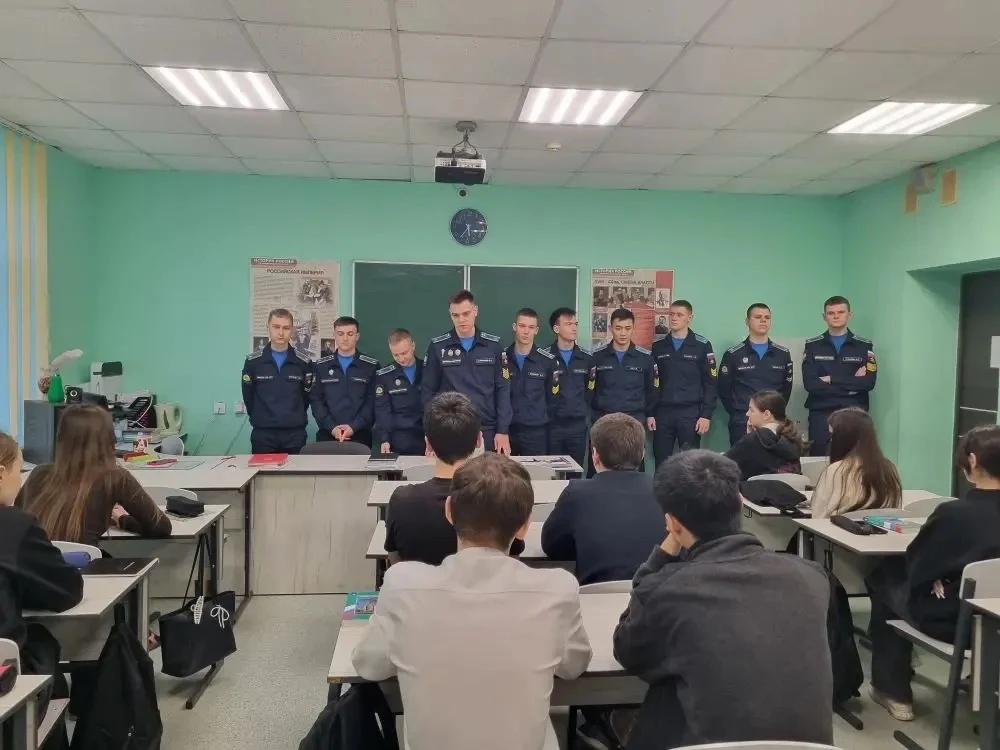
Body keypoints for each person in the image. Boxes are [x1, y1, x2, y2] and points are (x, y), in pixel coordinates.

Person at [353, 452, 592, 750]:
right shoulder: (558, 590)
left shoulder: (402, 585)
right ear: (525, 525)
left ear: (449, 511)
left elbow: (368, 665)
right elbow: (574, 666)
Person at [613, 450, 833, 750]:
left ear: (672, 524)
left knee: (665, 685)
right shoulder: (812, 578)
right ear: (740, 503)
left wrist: (662, 554)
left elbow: (628, 652)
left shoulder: (668, 591)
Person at [865, 425, 1000, 721]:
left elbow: (918, 564)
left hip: (957, 624)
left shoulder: (954, 514)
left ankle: (893, 690)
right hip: (993, 621)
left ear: (973, 461)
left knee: (884, 578)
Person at [0, 430, 83, 729]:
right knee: (42, 642)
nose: (21, 479)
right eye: (19, 469)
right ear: (1, 473)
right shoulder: (14, 525)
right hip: (5, 678)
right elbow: (66, 592)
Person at [385, 392, 524, 565]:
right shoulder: (501, 497)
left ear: (428, 444)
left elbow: (395, 562)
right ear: (479, 440)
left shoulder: (402, 501)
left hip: (419, 583)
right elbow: (512, 560)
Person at [16, 405, 172, 546]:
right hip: (80, 566)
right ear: (108, 439)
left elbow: (16, 518)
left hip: (28, 565)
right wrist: (123, 519)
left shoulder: (39, 473)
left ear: (61, 438)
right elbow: (161, 527)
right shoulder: (115, 478)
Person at [541, 413, 665, 584]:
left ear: (595, 455)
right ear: (643, 453)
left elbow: (551, 547)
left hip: (593, 595)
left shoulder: (576, 493)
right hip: (653, 595)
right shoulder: (666, 493)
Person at [421, 289, 512, 455]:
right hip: (449, 429)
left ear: (475, 310)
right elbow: (428, 393)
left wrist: (503, 430)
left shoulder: (494, 345)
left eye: (466, 313)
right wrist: (431, 432)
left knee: (486, 472)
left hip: (487, 429)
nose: (461, 320)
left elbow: (503, 389)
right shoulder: (437, 347)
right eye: (455, 315)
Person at [803, 295, 877, 456]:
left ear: (849, 315)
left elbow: (868, 383)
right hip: (821, 413)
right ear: (824, 316)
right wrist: (852, 382)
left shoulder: (864, 346)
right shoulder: (812, 346)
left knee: (854, 461)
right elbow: (810, 384)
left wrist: (830, 379)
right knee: (819, 461)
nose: (836, 316)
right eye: (831, 313)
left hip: (854, 412)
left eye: (841, 312)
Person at [588, 308, 658, 474]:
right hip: (604, 420)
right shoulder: (597, 357)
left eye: (627, 328)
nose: (623, 333)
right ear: (611, 328)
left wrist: (650, 414)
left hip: (634, 420)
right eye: (618, 328)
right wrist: (592, 416)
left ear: (633, 328)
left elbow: (653, 389)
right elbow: (589, 389)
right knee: (599, 466)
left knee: (633, 467)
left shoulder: (645, 358)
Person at [650, 300, 717, 468]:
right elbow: (653, 383)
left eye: (679, 315)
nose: (674, 318)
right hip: (663, 413)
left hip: (690, 413)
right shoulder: (659, 347)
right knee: (661, 461)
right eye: (671, 314)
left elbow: (711, 382)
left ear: (690, 318)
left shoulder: (702, 345)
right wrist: (650, 412)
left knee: (691, 463)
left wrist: (706, 415)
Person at [718, 302, 793, 446]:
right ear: (747, 321)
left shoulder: (782, 354)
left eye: (767, 317)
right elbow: (724, 389)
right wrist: (739, 411)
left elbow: (786, 389)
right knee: (742, 458)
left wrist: (775, 412)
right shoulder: (733, 354)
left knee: (772, 459)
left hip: (773, 420)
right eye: (758, 317)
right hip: (743, 419)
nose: (763, 320)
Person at [242, 308, 313, 454]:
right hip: (263, 435)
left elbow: (305, 397)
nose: (281, 332)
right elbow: (248, 397)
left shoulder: (303, 363)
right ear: (267, 327)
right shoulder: (253, 362)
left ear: (292, 330)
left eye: (286, 328)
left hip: (294, 435)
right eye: (276, 327)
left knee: (294, 470)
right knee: (263, 470)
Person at [810, 407, 901, 518]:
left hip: (837, 528)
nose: (830, 441)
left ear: (843, 437)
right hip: (882, 528)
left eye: (832, 436)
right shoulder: (889, 469)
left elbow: (818, 517)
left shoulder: (835, 470)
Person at [310, 316, 380, 447]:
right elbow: (316, 401)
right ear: (334, 335)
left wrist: (354, 426)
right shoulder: (321, 366)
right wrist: (332, 427)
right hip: (328, 434)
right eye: (340, 334)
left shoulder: (371, 366)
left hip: (360, 435)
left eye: (350, 334)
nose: (345, 338)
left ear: (357, 336)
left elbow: (373, 402)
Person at [542, 307, 593, 469]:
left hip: (577, 426)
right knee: (552, 472)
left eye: (575, 324)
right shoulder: (544, 357)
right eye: (568, 324)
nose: (574, 328)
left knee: (575, 471)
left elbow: (590, 389)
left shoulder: (587, 358)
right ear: (556, 329)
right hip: (552, 425)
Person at [725, 389, 807, 480]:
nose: (747, 414)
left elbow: (722, 465)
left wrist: (749, 437)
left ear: (767, 414)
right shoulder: (792, 438)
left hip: (756, 489)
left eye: (751, 410)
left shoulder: (753, 440)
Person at [506, 308, 556, 456]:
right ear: (514, 327)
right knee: (505, 471)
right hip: (507, 431)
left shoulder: (547, 361)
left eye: (531, 327)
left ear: (537, 330)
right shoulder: (502, 358)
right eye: (522, 326)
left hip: (536, 432)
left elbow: (552, 397)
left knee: (536, 471)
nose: (526, 331)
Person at [374, 328, 424, 455]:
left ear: (413, 345)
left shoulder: (428, 369)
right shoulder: (384, 375)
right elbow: (382, 410)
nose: (401, 359)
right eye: (396, 355)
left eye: (404, 353)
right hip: (399, 440)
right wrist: (384, 439)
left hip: (427, 436)